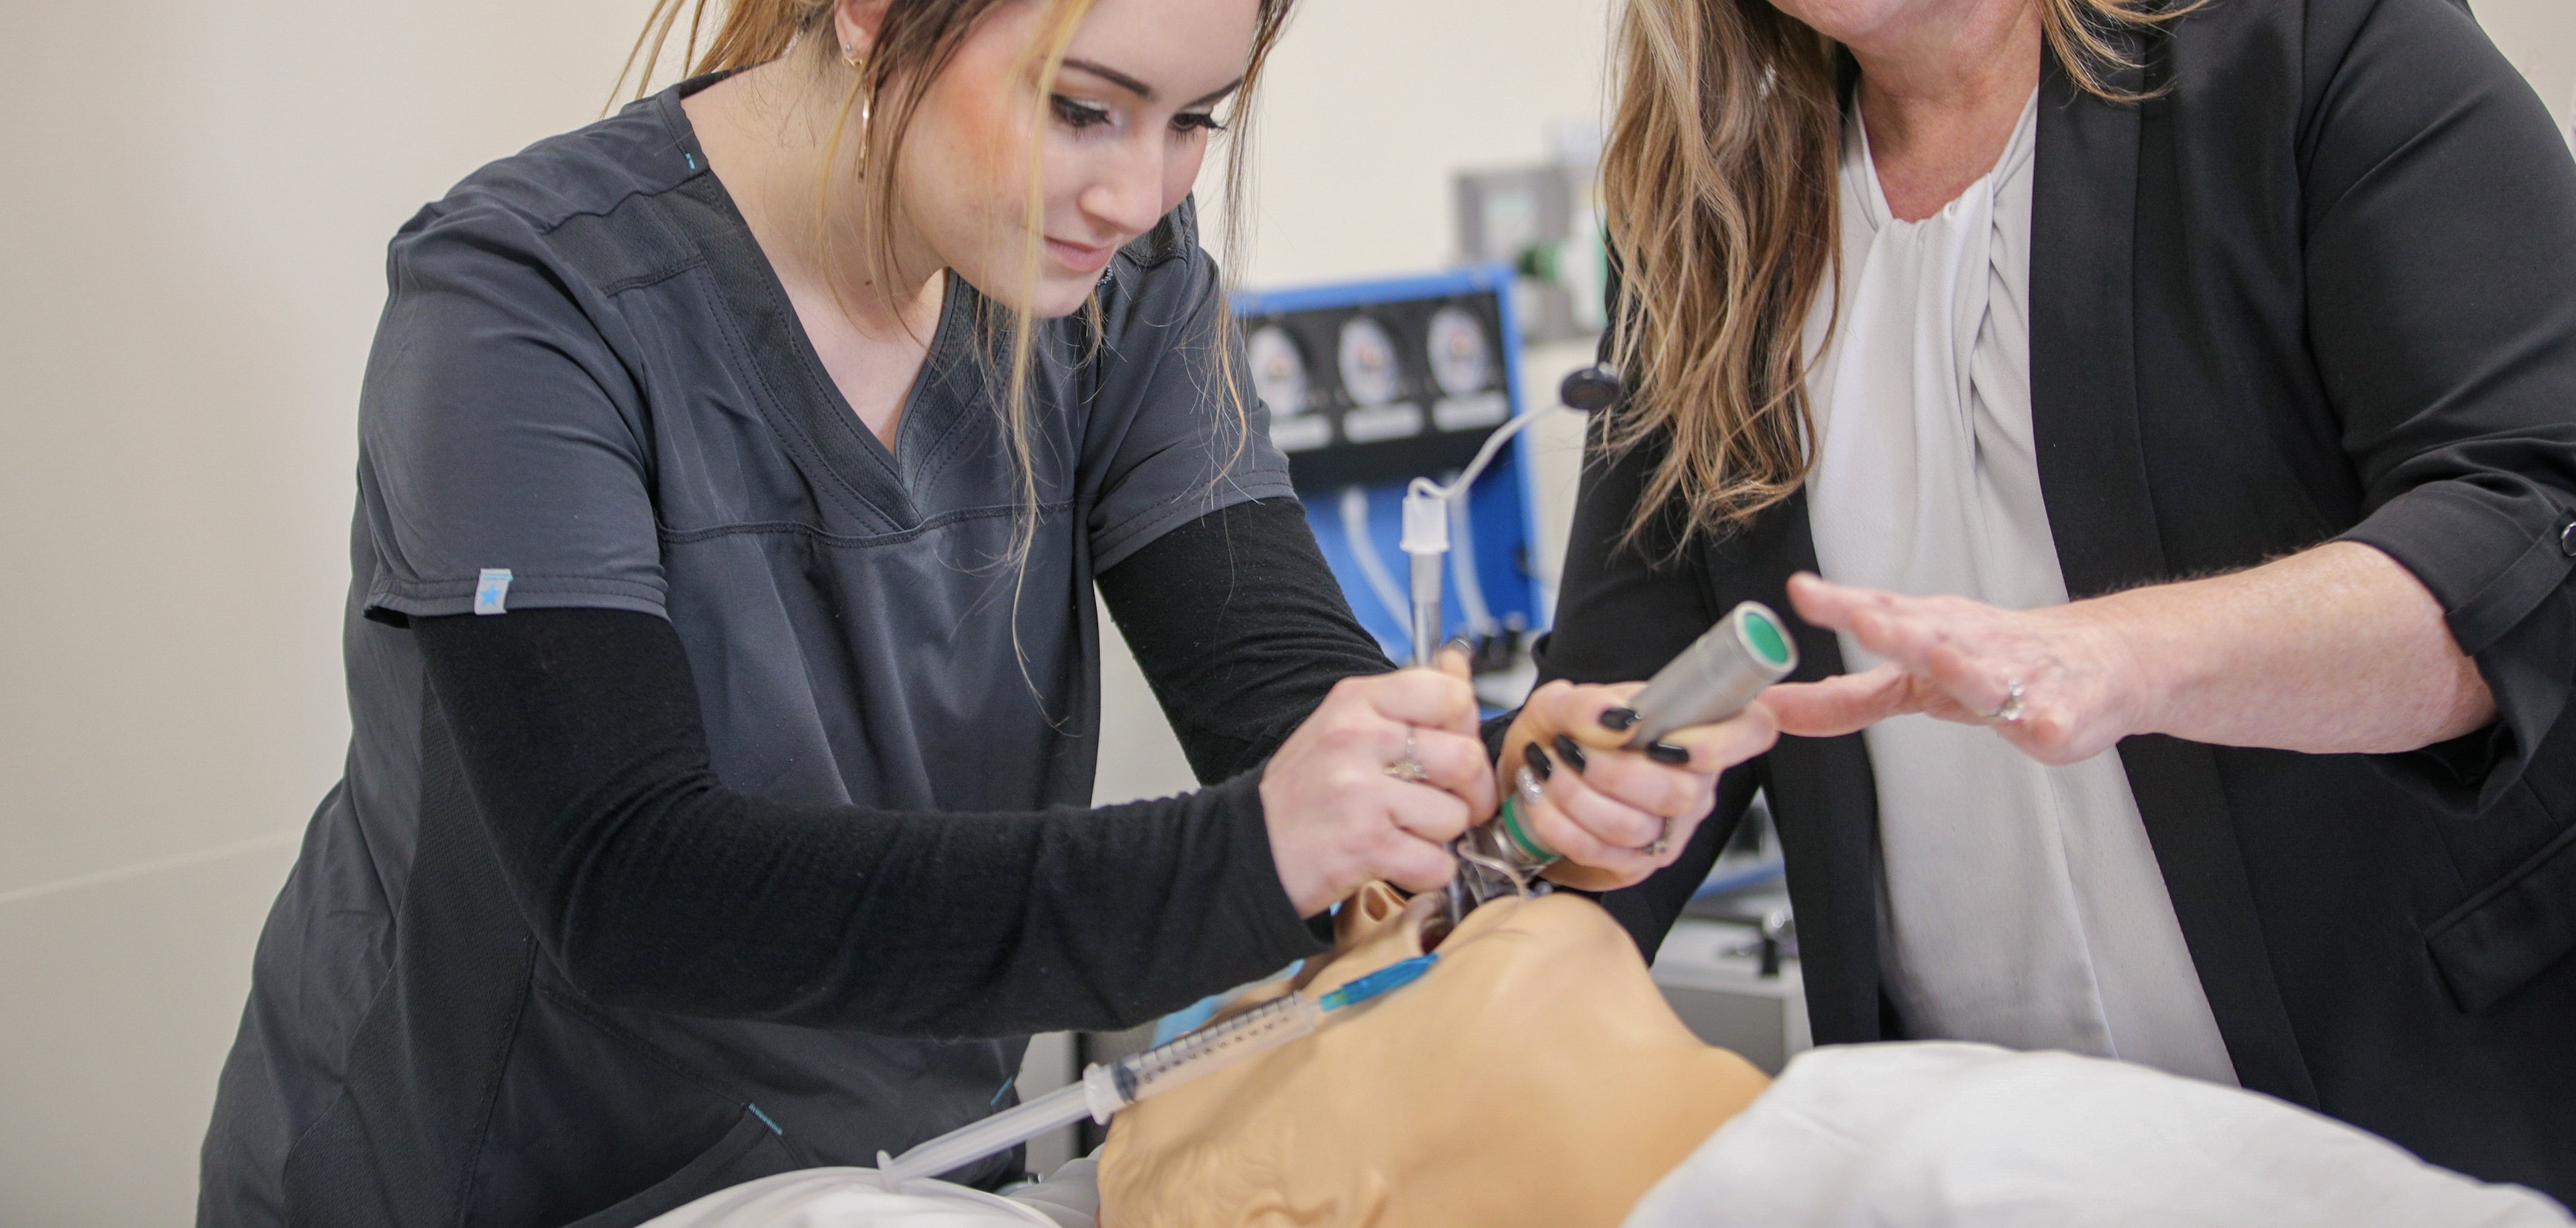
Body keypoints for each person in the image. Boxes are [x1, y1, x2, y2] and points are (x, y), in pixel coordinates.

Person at [197, 0, 1728, 1228]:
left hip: (897, 1176)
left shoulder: (1115, 281)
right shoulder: (526, 301)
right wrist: (1246, 857)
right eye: (1085, 107)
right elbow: (628, 880)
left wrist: (1474, 793)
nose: (1142, 190)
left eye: (1198, 116)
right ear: (876, 11)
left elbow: (1270, 691)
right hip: (493, 1174)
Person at [1510, 0, 2576, 1203]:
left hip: (2413, 1122)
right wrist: (1577, 799)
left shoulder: (2318, 44)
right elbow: (1643, 693)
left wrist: (2115, 659)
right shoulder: (1711, 213)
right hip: (1988, 1154)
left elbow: (2531, 531)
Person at [615, 885, 2574, 1228]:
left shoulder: (1885, 1116)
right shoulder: (1928, 1187)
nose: (1386, 925)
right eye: (1237, 1023)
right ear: (1297, 1211)